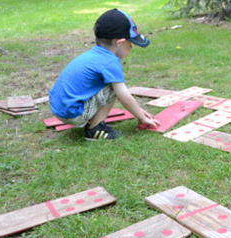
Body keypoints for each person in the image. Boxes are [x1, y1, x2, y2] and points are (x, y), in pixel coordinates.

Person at [49, 9, 160, 140]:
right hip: (71, 114)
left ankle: (91, 120)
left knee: (107, 84)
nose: (131, 47)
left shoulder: (93, 54)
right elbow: (124, 97)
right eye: (131, 43)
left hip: (60, 108)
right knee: (113, 88)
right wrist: (141, 117)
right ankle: (95, 130)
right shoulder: (110, 62)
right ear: (120, 43)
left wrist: (140, 111)